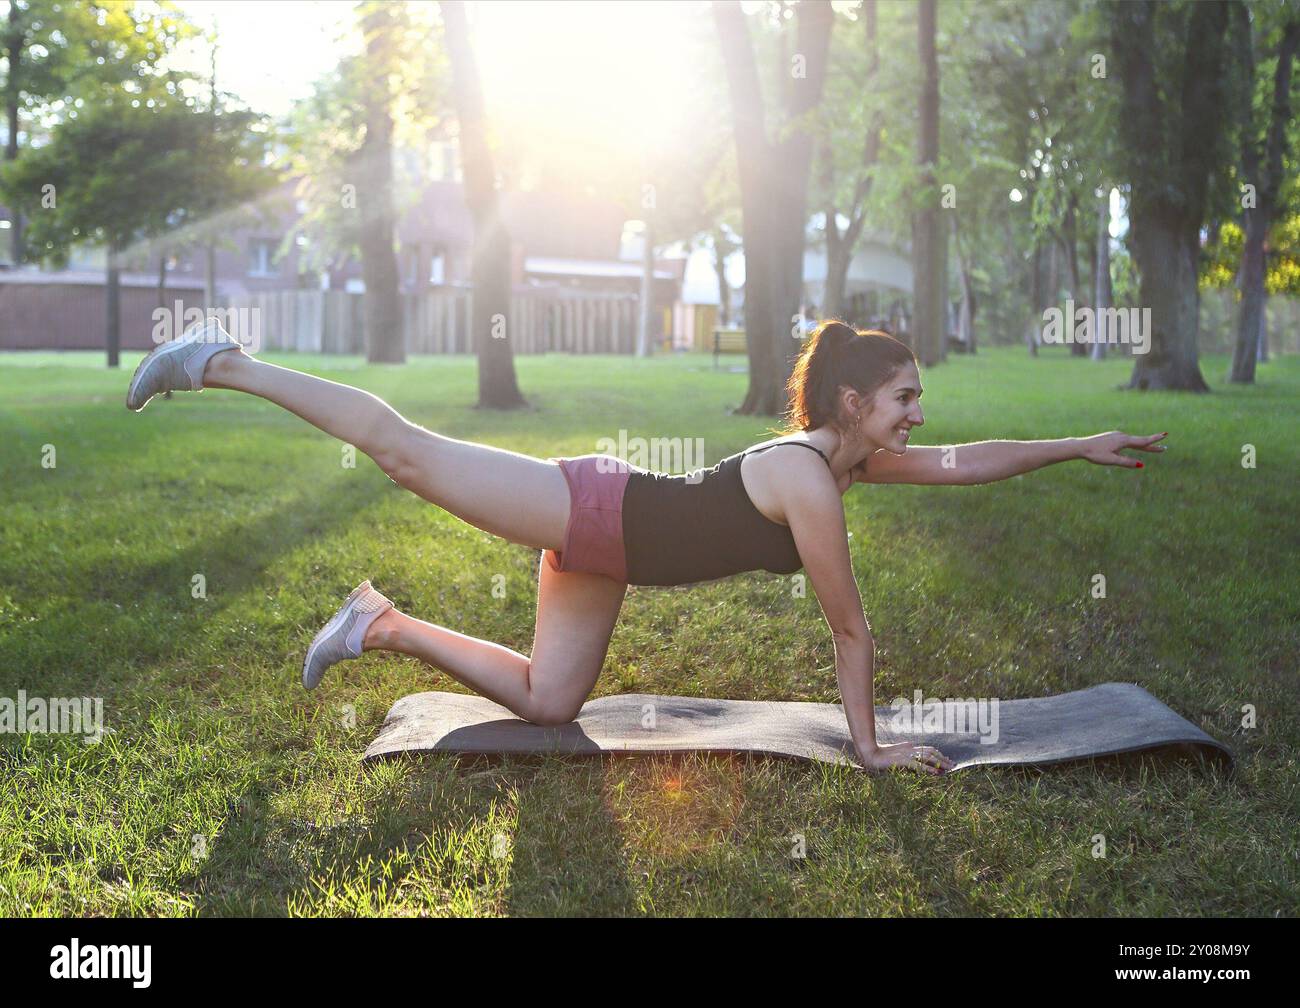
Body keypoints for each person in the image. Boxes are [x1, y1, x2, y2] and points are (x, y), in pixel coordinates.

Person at [125, 317, 1167, 775]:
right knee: (405, 453)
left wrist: (1077, 443)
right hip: (589, 507)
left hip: (606, 553)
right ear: (854, 400)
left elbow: (966, 462)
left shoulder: (842, 461)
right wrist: (867, 744)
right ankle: (221, 362)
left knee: (547, 705)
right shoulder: (808, 477)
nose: (918, 420)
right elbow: (847, 626)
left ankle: (379, 623)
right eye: (905, 399)